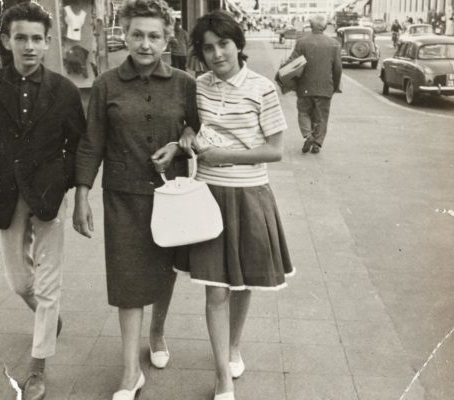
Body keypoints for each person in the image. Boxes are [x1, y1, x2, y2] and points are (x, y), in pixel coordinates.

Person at [72, 1, 199, 399]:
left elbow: (196, 129)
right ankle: (130, 372)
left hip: (170, 195)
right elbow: (92, 142)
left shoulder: (184, 82)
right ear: (124, 35)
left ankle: (157, 332)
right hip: (122, 197)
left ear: (167, 39)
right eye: (137, 35)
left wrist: (181, 144)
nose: (145, 44)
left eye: (154, 36)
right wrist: (81, 196)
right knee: (127, 279)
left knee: (164, 272)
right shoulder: (107, 84)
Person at [0, 3, 85, 399]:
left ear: (48, 43)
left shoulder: (65, 91)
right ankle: (47, 319)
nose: (30, 46)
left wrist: (65, 181)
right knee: (21, 282)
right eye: (21, 38)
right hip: (4, 193)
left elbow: (78, 145)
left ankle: (38, 367)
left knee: (49, 283)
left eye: (37, 39)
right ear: (6, 41)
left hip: (49, 197)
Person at [177, 10, 294, 400]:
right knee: (215, 290)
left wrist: (223, 156)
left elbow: (276, 150)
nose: (217, 54)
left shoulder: (262, 88)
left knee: (242, 283)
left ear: (238, 45)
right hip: (208, 194)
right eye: (208, 48)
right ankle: (222, 378)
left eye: (223, 44)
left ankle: (233, 347)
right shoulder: (198, 86)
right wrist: (190, 134)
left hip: (248, 194)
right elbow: (190, 123)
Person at [285, 14, 341, 154]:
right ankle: (317, 142)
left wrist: (287, 79)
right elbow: (338, 68)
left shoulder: (302, 42)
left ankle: (308, 136)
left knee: (304, 112)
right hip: (325, 87)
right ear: (325, 26)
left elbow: (293, 64)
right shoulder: (334, 44)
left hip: (305, 87)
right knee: (321, 116)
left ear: (311, 25)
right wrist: (335, 86)